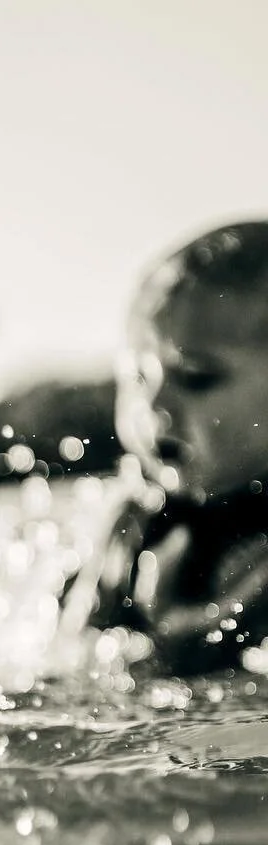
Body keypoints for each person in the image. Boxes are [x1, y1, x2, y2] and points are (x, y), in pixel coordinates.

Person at [93, 220, 268, 675]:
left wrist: (184, 644)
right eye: (136, 376)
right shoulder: (136, 514)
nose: (152, 405)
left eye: (195, 376)